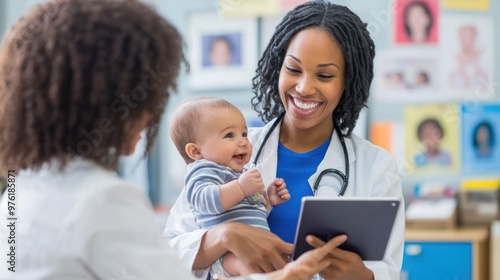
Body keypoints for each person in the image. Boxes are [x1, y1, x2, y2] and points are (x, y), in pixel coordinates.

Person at [0, 0, 352, 279]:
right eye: (142, 101)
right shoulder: (102, 197)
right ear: (103, 103)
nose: (149, 116)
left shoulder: (19, 189)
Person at [165, 1, 405, 279]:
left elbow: (387, 269)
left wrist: (362, 276)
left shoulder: (376, 167)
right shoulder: (226, 150)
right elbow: (167, 253)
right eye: (293, 69)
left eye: (324, 75)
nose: (304, 87)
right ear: (278, 68)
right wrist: (224, 235)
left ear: (347, 83)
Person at [169, 96, 290, 277]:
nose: (242, 142)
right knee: (258, 271)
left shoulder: (237, 173)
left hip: (255, 251)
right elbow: (205, 202)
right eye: (229, 135)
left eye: (244, 134)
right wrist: (241, 187)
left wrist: (268, 201)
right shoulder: (203, 171)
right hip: (230, 256)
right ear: (196, 152)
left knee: (284, 267)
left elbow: (248, 212)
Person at [449, 24, 488, 89]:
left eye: (470, 36)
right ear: (459, 38)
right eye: (463, 36)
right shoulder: (453, 59)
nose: (466, 40)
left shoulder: (482, 58)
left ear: (475, 37)